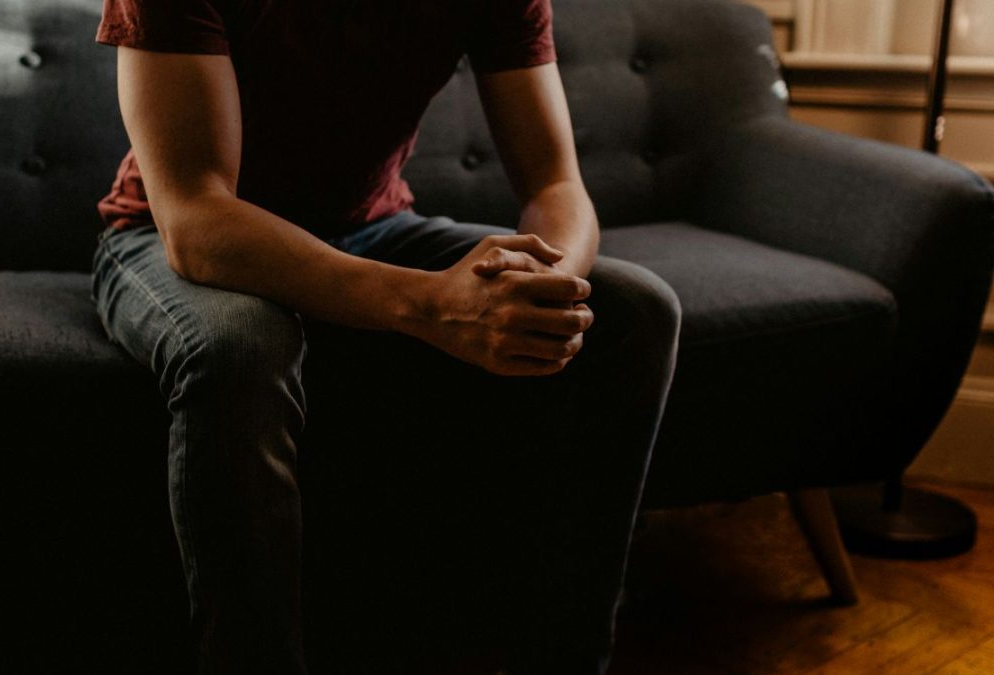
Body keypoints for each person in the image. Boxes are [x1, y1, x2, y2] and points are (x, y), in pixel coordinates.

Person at [91, 0, 680, 673]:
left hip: (370, 229)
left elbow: (556, 183)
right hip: (164, 237)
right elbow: (196, 220)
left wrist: (540, 291)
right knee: (242, 346)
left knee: (636, 312)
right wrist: (431, 305)